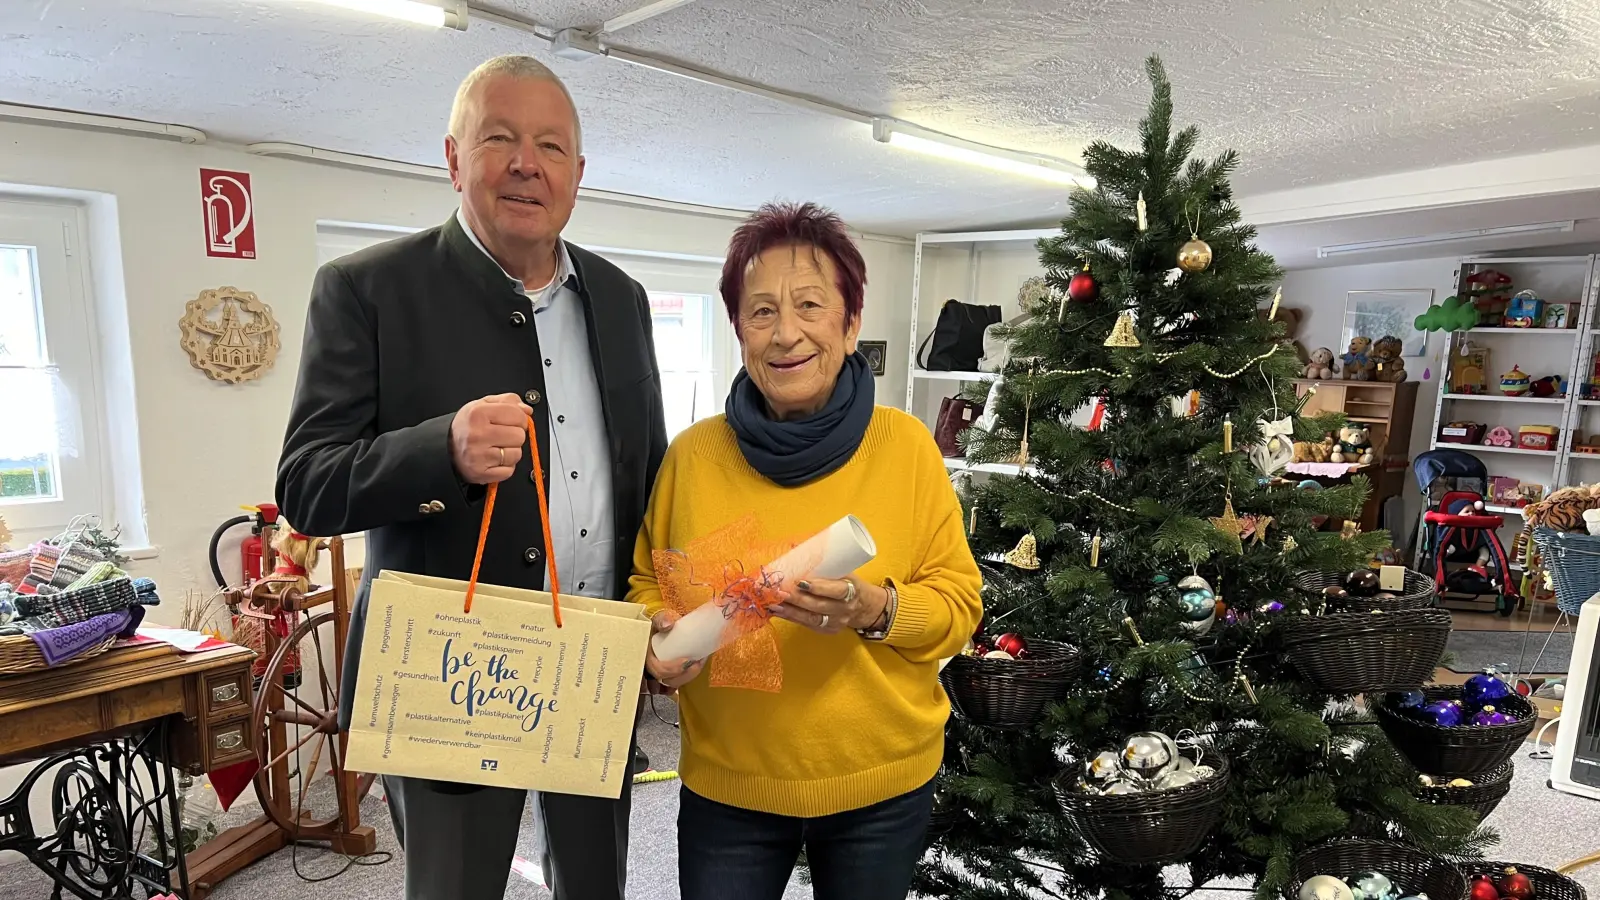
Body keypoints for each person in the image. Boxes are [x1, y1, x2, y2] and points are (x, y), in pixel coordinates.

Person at [276, 54, 667, 900]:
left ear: (578, 173)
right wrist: (438, 450)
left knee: (597, 884)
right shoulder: (367, 289)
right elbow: (307, 484)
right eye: (500, 138)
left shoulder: (624, 297)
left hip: (595, 659)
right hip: (451, 672)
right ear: (453, 159)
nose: (527, 163)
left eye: (552, 146)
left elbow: (648, 474)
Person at [626, 202, 983, 899]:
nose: (785, 333)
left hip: (878, 787)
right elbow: (650, 580)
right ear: (738, 331)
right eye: (760, 312)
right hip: (731, 788)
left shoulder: (906, 448)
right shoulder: (694, 456)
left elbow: (959, 607)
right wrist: (653, 628)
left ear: (850, 325)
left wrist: (877, 611)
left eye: (810, 305)